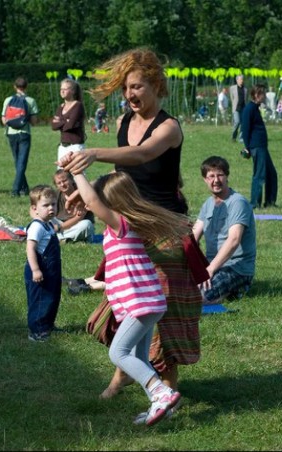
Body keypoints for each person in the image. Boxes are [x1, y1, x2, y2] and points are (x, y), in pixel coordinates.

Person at [58, 48, 202, 407]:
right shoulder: (124, 123)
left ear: (155, 84)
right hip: (130, 228)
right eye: (125, 89)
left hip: (166, 231)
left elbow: (140, 156)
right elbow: (124, 175)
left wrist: (94, 153)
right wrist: (83, 194)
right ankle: (124, 373)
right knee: (127, 304)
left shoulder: (169, 128)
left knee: (161, 314)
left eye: (136, 87)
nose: (130, 95)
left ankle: (165, 388)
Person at [72, 170, 187, 426]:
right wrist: (77, 191)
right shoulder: (126, 224)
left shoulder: (120, 224)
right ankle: (160, 405)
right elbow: (93, 197)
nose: (98, 205)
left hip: (140, 304)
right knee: (140, 358)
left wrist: (76, 172)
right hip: (147, 302)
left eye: (102, 198)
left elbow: (91, 201)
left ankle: (162, 393)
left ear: (111, 200)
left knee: (118, 352)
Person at [193, 156, 256, 304]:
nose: (216, 180)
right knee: (177, 288)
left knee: (198, 298)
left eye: (220, 175)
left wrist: (209, 270)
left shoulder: (237, 202)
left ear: (227, 176)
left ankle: (239, 286)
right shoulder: (208, 204)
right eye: (211, 176)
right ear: (205, 180)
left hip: (235, 268)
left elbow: (234, 240)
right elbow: (193, 236)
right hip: (210, 265)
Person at [24, 185, 62, 342]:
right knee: (40, 299)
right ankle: (37, 331)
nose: (51, 208)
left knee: (52, 298)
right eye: (45, 205)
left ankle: (47, 324)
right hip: (39, 270)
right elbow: (30, 249)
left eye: (53, 204)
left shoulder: (48, 225)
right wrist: (35, 269)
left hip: (51, 271)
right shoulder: (36, 227)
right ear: (35, 209)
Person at [240, 84, 278, 209]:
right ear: (256, 95)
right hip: (256, 147)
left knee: (271, 174)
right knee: (259, 175)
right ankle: (254, 203)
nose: (265, 96)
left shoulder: (256, 108)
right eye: (263, 94)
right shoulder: (249, 109)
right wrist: (247, 148)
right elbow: (245, 130)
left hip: (262, 146)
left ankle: (270, 202)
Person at [1, 77, 39, 197]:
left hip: (11, 134)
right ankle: (15, 190)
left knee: (18, 161)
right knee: (22, 162)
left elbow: (4, 120)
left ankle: (25, 188)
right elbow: (34, 121)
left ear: (14, 86)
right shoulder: (31, 101)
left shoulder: (8, 100)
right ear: (26, 86)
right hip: (24, 133)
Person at [50, 169, 95, 243]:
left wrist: (59, 227)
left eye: (64, 181)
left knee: (87, 224)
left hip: (76, 225)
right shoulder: (55, 195)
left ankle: (56, 238)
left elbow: (79, 218)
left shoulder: (82, 193)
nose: (62, 184)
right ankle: (64, 238)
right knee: (45, 218)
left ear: (72, 180)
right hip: (60, 226)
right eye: (59, 183)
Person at [52, 78, 85, 162]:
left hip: (75, 147)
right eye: (61, 89)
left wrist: (61, 121)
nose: (62, 91)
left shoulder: (77, 106)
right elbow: (53, 126)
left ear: (73, 91)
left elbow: (70, 126)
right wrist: (65, 121)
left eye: (65, 89)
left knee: (76, 173)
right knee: (61, 174)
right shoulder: (61, 107)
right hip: (62, 147)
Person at [229, 74, 247, 142]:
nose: (241, 81)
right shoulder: (232, 88)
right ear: (237, 80)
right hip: (236, 109)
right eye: (240, 79)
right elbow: (232, 98)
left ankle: (241, 138)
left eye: (242, 79)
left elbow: (246, 99)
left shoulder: (245, 89)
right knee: (237, 122)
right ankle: (233, 137)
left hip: (243, 108)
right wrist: (234, 106)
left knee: (243, 123)